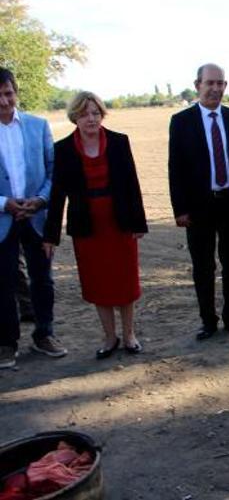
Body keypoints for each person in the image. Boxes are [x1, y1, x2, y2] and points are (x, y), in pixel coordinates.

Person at [43, 91, 148, 359]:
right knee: (98, 283)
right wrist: (50, 236)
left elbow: (132, 185)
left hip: (120, 223)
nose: (91, 118)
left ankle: (129, 335)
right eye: (84, 113)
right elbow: (57, 196)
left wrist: (139, 222)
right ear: (74, 117)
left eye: (96, 112)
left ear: (102, 114)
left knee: (125, 281)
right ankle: (109, 337)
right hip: (87, 227)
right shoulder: (63, 149)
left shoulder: (119, 142)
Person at [168, 63, 229, 340]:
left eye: (220, 83)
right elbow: (176, 167)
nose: (215, 89)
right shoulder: (181, 121)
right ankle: (208, 321)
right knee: (203, 267)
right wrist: (180, 209)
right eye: (210, 83)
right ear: (198, 85)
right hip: (199, 208)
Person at [0, 67, 66, 369]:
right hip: (3, 218)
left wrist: (40, 200)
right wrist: (5, 203)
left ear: (16, 92)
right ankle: (6, 343)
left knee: (43, 279)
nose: (4, 101)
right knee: (4, 282)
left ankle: (44, 334)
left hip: (37, 217)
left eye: (8, 93)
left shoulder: (38, 126)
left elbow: (54, 172)